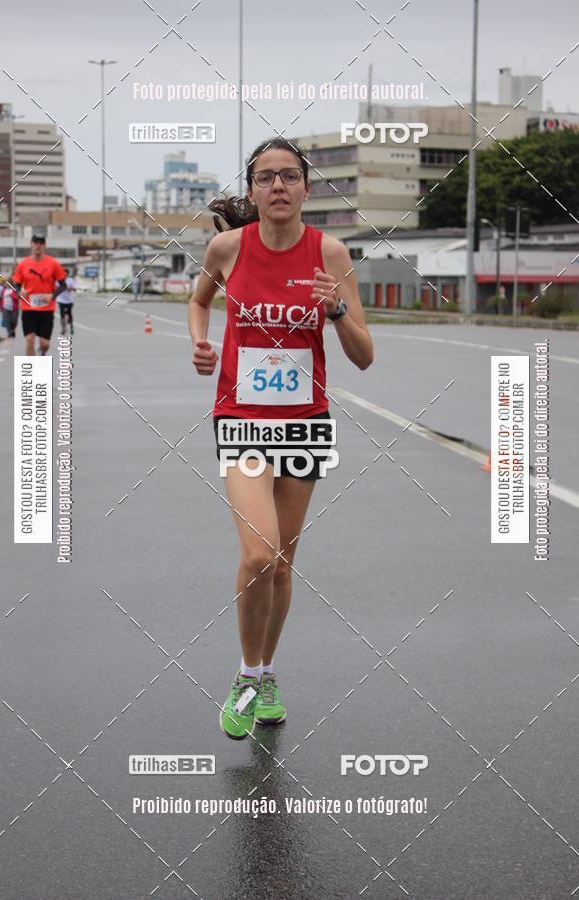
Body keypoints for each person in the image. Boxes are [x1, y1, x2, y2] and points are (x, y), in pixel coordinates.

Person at [188, 137, 374, 741]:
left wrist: (337, 311)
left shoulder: (331, 254)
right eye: (265, 178)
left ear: (306, 188)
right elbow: (199, 299)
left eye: (288, 177)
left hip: (305, 422)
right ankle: (246, 674)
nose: (277, 187)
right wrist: (200, 341)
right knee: (258, 554)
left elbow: (365, 357)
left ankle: (267, 675)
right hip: (241, 418)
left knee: (285, 564)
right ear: (251, 191)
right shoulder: (226, 247)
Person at [11, 234, 68, 356]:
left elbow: (63, 285)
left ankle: (42, 353)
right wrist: (20, 292)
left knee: (45, 343)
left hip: (46, 308)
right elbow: (15, 285)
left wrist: (52, 296)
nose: (38, 245)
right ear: (31, 244)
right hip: (28, 307)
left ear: (44, 246)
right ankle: (33, 368)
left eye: (41, 243)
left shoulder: (53, 263)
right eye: (35, 242)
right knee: (30, 338)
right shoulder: (23, 265)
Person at [57, 269, 76, 335]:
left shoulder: (70, 280)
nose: (64, 275)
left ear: (67, 274)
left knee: (69, 313)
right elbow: (55, 288)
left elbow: (74, 289)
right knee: (62, 314)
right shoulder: (58, 280)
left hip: (69, 300)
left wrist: (68, 288)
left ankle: (71, 326)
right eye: (63, 273)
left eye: (65, 273)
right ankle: (63, 328)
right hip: (61, 300)